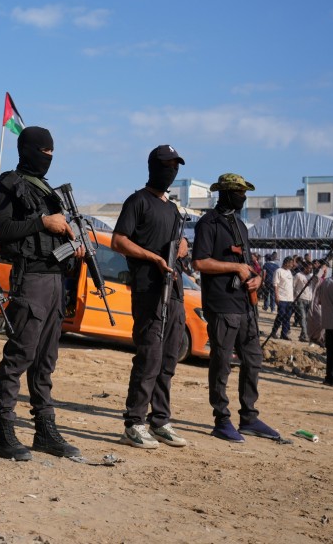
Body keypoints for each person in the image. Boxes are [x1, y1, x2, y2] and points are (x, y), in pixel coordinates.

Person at [0, 126, 84, 461]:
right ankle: (5, 431)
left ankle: (45, 431)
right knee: (19, 356)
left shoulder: (47, 190)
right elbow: (1, 230)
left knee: (46, 361)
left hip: (56, 281)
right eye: (43, 151)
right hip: (30, 280)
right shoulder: (9, 183)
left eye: (51, 152)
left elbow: (53, 233)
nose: (48, 157)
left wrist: (73, 246)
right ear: (28, 150)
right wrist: (44, 223)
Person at [111, 145, 190, 450]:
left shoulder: (172, 209)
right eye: (166, 165)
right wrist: (153, 259)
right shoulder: (138, 201)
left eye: (175, 166)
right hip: (148, 290)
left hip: (175, 292)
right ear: (153, 167)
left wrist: (182, 244)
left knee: (168, 359)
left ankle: (160, 421)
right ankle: (134, 423)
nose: (171, 171)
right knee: (149, 358)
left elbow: (176, 242)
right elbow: (119, 241)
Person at [192, 173, 279, 443]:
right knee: (222, 363)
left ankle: (249, 417)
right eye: (239, 193)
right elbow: (200, 263)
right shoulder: (209, 223)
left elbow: (248, 261)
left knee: (253, 360)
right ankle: (221, 419)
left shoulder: (240, 225)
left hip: (245, 305)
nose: (243, 197)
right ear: (226, 193)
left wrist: (257, 277)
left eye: (245, 193)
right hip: (222, 305)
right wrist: (236, 267)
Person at [271, 256, 295, 340]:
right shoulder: (278, 271)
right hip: (282, 297)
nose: (292, 265)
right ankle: (274, 332)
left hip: (290, 298)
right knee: (280, 315)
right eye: (291, 263)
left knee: (287, 317)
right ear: (286, 263)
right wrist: (276, 296)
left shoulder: (289, 272)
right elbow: (275, 284)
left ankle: (284, 334)